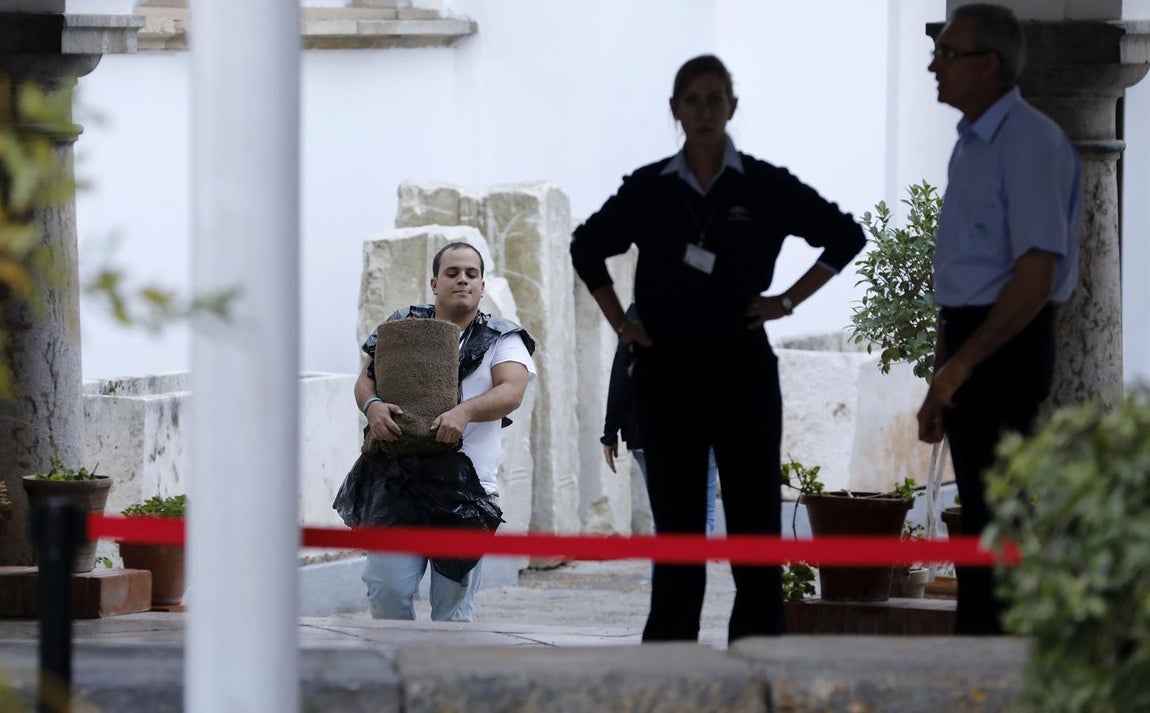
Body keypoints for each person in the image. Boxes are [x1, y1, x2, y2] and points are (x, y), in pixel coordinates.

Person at [570, 54, 866, 643]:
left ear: (732, 107)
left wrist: (787, 301)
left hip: (742, 368)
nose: (704, 111)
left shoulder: (761, 183)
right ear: (675, 110)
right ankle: (672, 668)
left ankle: (758, 662)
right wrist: (621, 323)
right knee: (679, 532)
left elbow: (844, 235)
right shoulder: (650, 188)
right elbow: (587, 246)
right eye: (692, 100)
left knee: (755, 523)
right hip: (666, 371)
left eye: (715, 99)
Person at [917, 4, 1083, 635]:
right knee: (980, 522)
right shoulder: (971, 145)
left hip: (1006, 344)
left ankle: (999, 666)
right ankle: (980, 659)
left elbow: (1034, 279)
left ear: (988, 65)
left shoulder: (1032, 144)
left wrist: (960, 366)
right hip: (970, 335)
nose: (935, 65)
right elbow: (961, 272)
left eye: (947, 53)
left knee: (995, 522)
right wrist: (942, 369)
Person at [344, 241, 537, 621]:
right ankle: (396, 673)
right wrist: (373, 406)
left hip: (467, 489)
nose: (462, 280)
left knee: (452, 608)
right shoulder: (403, 326)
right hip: (398, 481)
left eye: (471, 274)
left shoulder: (503, 338)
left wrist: (464, 413)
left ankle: (442, 678)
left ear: (482, 286)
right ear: (435, 283)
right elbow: (366, 380)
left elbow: (512, 391)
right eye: (452, 273)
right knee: (387, 590)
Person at [600, 304, 719, 535]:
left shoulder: (638, 313)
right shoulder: (709, 308)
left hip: (647, 430)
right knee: (702, 515)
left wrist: (610, 432)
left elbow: (621, 374)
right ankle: (690, 570)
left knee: (664, 520)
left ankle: (667, 571)